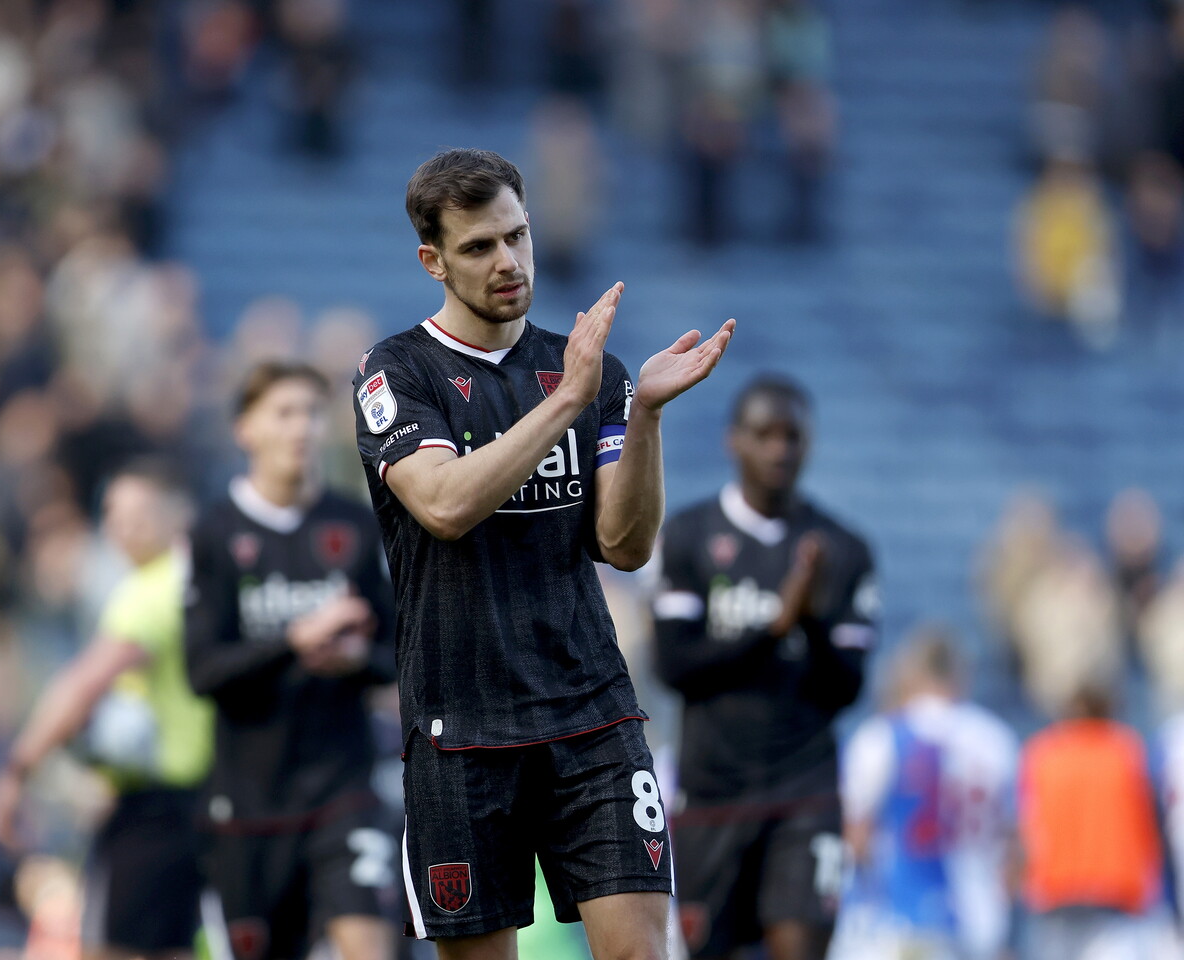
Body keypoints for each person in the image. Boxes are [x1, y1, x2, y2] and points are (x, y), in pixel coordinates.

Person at [353, 147, 734, 960]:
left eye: (517, 237)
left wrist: (647, 423)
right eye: (479, 246)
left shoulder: (594, 372)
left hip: (591, 714)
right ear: (433, 260)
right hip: (460, 728)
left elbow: (623, 546)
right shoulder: (396, 372)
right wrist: (568, 399)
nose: (508, 262)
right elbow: (446, 505)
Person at [651, 374, 877, 960]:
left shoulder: (842, 549)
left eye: (793, 436)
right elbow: (674, 665)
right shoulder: (690, 537)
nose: (780, 449)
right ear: (734, 441)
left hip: (804, 795)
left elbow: (847, 687)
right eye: (765, 434)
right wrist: (774, 626)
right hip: (712, 795)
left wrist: (811, 622)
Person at [185, 361, 399, 960]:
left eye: (311, 412)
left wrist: (355, 657)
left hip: (343, 788)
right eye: (284, 412)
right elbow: (203, 672)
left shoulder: (354, 525)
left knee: (367, 943)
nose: (300, 427)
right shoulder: (214, 532)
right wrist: (296, 643)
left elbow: (394, 656)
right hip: (247, 804)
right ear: (244, 429)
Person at [0, 459, 214, 960]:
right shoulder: (201, 582)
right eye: (113, 512)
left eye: (138, 512)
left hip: (155, 810)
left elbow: (81, 685)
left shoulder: (151, 591)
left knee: (114, 949)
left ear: (177, 514)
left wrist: (16, 769)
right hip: (204, 801)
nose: (120, 526)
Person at [836, 626, 1017, 960]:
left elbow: (855, 838)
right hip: (981, 928)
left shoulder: (883, 737)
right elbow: (1013, 849)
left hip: (903, 929)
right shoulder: (995, 738)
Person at [1017, 684, 1165, 960]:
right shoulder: (1126, 750)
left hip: (1055, 892)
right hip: (1113, 892)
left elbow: (1026, 828)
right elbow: (1151, 827)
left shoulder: (1042, 753)